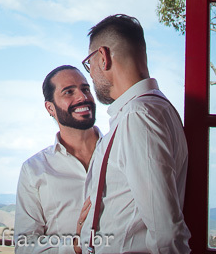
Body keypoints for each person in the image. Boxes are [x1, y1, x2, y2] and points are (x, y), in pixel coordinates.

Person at [78, 14, 189, 254]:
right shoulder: (154, 109)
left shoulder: (138, 116)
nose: (91, 74)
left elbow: (166, 232)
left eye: (89, 64)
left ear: (103, 57)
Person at [14, 65, 101, 254]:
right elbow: (24, 247)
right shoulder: (33, 170)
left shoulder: (119, 151)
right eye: (69, 92)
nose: (82, 97)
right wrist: (74, 246)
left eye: (85, 89)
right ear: (50, 108)